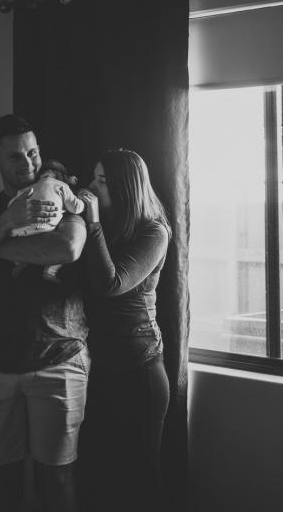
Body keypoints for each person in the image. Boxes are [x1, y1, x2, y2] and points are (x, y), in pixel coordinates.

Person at [0, 114, 89, 512]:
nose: (29, 165)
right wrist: (7, 221)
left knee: (56, 482)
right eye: (16, 158)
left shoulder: (59, 197)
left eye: (33, 153)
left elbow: (66, 250)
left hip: (58, 357)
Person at [76, 149, 171, 512]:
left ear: (123, 187)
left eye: (101, 181)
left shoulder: (153, 231)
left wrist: (94, 222)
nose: (91, 186)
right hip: (100, 369)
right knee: (103, 479)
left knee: (142, 480)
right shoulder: (109, 228)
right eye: (94, 177)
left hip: (139, 371)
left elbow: (111, 283)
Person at [8, 158, 85, 282]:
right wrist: (81, 201)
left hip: (22, 229)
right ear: (59, 176)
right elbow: (75, 208)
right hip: (46, 227)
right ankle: (51, 270)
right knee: (66, 245)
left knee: (16, 241)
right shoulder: (62, 186)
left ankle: (20, 263)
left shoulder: (30, 187)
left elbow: (12, 205)